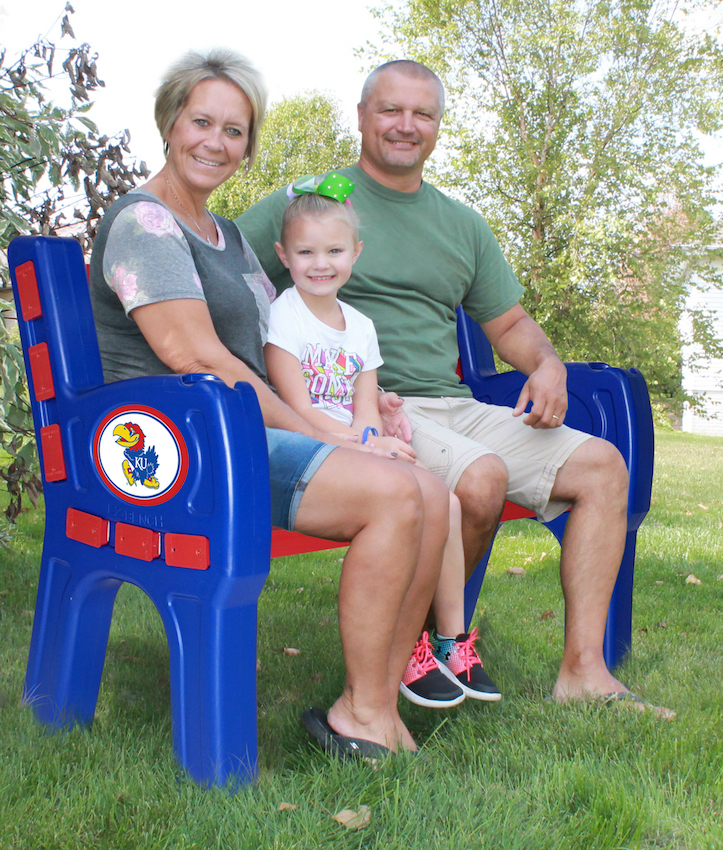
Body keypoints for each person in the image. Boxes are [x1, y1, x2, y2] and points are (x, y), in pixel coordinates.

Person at [237, 59, 674, 718]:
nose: (406, 125)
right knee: (479, 480)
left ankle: (584, 671)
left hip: (457, 404)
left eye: (423, 114)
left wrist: (547, 364)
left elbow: (511, 322)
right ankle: (424, 648)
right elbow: (224, 268)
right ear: (362, 117)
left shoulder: (460, 223)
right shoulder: (315, 202)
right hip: (372, 409)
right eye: (391, 110)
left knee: (603, 468)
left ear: (438, 127)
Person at [88, 47, 462, 758]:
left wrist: (365, 408)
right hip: (178, 447)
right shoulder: (145, 224)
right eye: (202, 122)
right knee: (394, 495)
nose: (216, 142)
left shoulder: (225, 236)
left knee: (429, 488)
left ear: (248, 147)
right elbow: (195, 356)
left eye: (235, 131)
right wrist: (332, 439)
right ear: (169, 123)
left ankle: (371, 705)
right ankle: (367, 710)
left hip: (235, 430)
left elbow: (280, 345)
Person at [264, 179, 500, 705]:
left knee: (447, 498)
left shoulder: (362, 327)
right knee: (412, 495)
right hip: (310, 445)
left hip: (356, 444)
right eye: (305, 251)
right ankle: (405, 650)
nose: (320, 263)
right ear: (283, 255)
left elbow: (365, 404)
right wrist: (366, 446)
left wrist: (375, 437)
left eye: (334, 250)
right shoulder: (284, 316)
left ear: (356, 254)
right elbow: (297, 407)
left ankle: (449, 641)